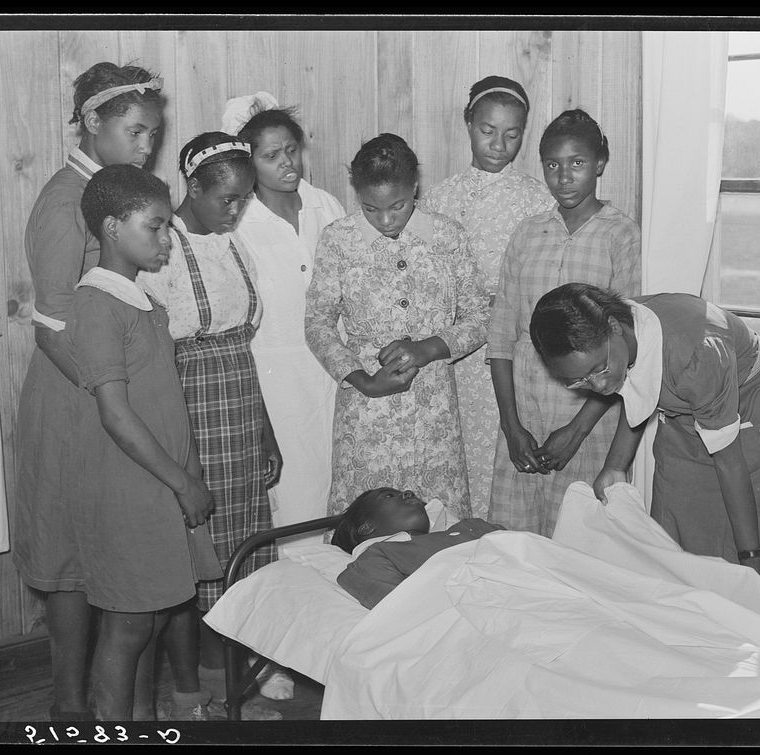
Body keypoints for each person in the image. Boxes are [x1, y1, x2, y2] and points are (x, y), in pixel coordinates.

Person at [12, 62, 163, 722]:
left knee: (112, 544)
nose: (146, 146)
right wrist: (108, 394)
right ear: (93, 123)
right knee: (70, 552)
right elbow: (50, 329)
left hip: (107, 388)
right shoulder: (62, 201)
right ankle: (69, 708)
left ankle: (107, 705)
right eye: (134, 131)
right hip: (74, 396)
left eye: (153, 135)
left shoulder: (110, 192)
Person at [528, 283, 760, 604]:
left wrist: (750, 558)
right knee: (674, 534)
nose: (597, 386)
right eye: (580, 381)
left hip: (755, 407)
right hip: (689, 407)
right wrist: (615, 466)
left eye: (598, 369)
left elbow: (729, 462)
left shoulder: (694, 350)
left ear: (614, 329)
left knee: (756, 542)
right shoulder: (616, 330)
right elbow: (635, 386)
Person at [137, 132, 284, 718]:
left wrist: (267, 429)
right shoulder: (162, 251)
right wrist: (178, 451)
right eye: (226, 198)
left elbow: (244, 351)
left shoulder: (231, 244)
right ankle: (197, 694)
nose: (236, 209)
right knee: (204, 555)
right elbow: (154, 357)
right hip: (191, 408)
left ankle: (229, 684)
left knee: (242, 549)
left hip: (242, 406)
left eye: (244, 199)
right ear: (191, 187)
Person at [68, 165, 222, 721]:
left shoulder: (143, 302)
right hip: (129, 490)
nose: (165, 240)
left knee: (154, 617)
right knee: (129, 624)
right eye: (154, 228)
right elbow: (115, 414)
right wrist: (182, 482)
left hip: (161, 485)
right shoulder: (96, 304)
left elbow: (169, 406)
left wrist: (192, 473)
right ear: (111, 227)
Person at [305, 133, 490, 518]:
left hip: (433, 411)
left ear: (415, 188)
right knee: (365, 526)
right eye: (371, 209)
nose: (386, 220)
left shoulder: (447, 235)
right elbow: (318, 323)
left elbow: (481, 315)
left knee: (438, 524)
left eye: (398, 206)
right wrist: (363, 381)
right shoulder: (339, 240)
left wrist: (429, 348)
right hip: (366, 410)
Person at [486, 109, 641, 537]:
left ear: (600, 165)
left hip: (588, 411)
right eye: (552, 165)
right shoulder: (527, 233)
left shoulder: (621, 235)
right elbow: (501, 335)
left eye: (577, 163)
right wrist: (511, 426)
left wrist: (576, 431)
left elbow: (629, 348)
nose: (564, 176)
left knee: (579, 541)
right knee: (516, 543)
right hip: (525, 410)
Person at [421, 76, 553, 520]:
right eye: (488, 131)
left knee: (504, 450)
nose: (500, 144)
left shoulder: (537, 199)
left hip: (512, 350)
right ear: (468, 125)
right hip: (455, 350)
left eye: (512, 134)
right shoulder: (439, 198)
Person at [223, 93, 345, 554]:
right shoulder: (239, 222)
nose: (286, 164)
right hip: (274, 375)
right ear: (249, 162)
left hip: (332, 367)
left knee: (337, 477)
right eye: (271, 156)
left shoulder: (325, 206)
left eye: (291, 150)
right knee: (293, 491)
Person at [331, 488, 504, 609]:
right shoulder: (375, 557)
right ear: (367, 528)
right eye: (389, 496)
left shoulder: (472, 526)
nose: (408, 492)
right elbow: (407, 612)